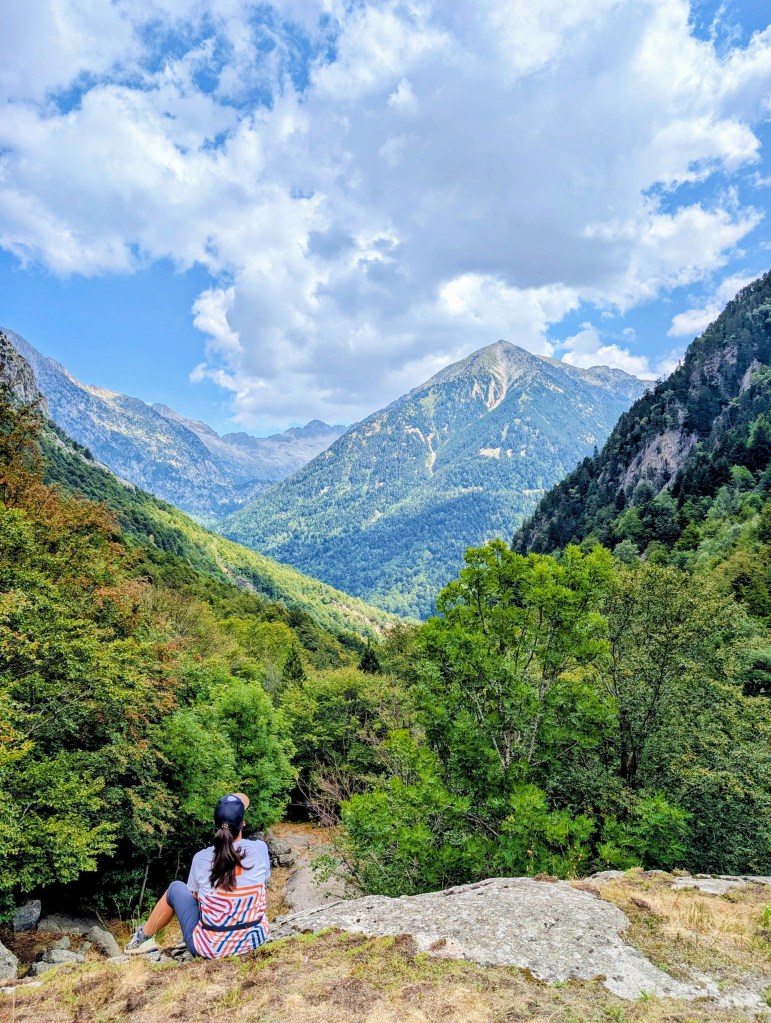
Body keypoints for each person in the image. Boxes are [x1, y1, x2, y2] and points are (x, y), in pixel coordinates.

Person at [125, 792, 271, 959]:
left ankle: (142, 939)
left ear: (216, 825)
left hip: (211, 949)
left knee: (175, 888)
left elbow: (195, 895)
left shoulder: (201, 858)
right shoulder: (260, 849)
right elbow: (262, 880)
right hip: (254, 940)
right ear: (243, 823)